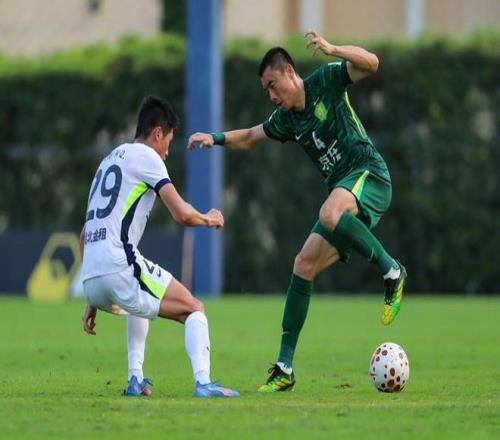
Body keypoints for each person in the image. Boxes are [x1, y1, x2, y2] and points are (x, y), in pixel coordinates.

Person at [187, 30, 407, 393]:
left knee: (329, 213)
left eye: (273, 86)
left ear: (289, 72)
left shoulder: (326, 80)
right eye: (266, 91)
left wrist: (333, 49)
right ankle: (285, 368)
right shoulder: (286, 120)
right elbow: (251, 137)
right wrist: (216, 138)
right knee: (303, 264)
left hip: (369, 175)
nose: (272, 96)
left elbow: (372, 63)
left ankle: (392, 271)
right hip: (344, 198)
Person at [80, 96, 239, 398]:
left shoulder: (108, 161)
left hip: (91, 277)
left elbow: (85, 232)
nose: (166, 152)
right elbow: (181, 214)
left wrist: (91, 295)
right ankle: (203, 383)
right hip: (117, 266)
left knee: (139, 296)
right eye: (168, 141)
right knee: (193, 308)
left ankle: (135, 378)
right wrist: (209, 218)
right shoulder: (147, 157)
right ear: (157, 133)